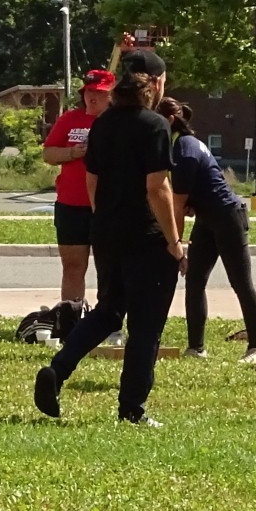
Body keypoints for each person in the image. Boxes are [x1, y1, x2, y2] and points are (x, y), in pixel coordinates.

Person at [32, 48, 186, 425]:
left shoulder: (102, 124)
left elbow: (91, 179)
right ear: (156, 84)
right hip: (146, 237)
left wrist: (104, 221)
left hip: (106, 232)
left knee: (108, 310)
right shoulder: (154, 126)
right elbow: (157, 188)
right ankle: (132, 409)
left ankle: (59, 368)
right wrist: (174, 240)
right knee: (146, 326)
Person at [157, 97, 256, 362]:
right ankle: (196, 347)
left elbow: (178, 206)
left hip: (228, 217)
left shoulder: (184, 148)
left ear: (170, 121)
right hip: (206, 218)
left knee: (241, 283)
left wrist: (175, 244)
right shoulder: (176, 144)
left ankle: (255, 347)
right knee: (194, 279)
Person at [42, 69, 114, 304]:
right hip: (71, 204)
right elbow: (49, 153)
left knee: (110, 267)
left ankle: (109, 322)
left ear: (111, 95)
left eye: (99, 93)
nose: (92, 97)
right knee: (73, 265)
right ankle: (70, 317)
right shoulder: (70, 119)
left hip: (107, 205)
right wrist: (72, 152)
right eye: (88, 92)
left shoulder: (119, 121)